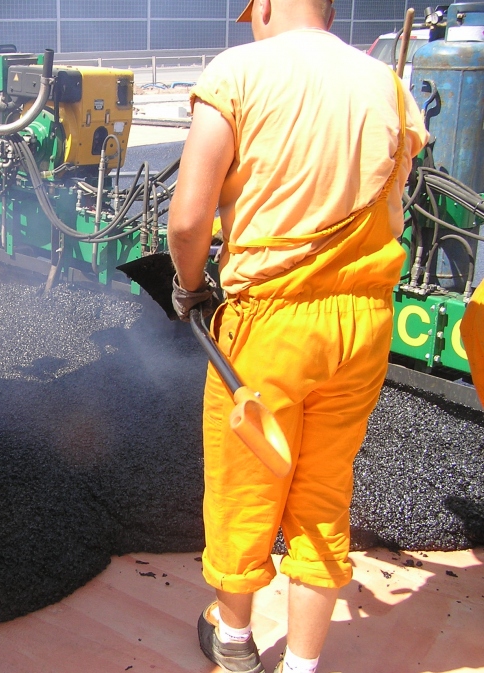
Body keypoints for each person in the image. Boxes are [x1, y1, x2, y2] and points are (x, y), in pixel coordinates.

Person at [165, 1, 428, 672]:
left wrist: (189, 289)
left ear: (266, 5)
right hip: (364, 323)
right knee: (323, 494)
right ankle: (303, 664)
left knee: (246, 484)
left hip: (273, 322)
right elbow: (394, 203)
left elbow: (189, 220)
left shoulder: (238, 72)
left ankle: (233, 641)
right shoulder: (387, 84)